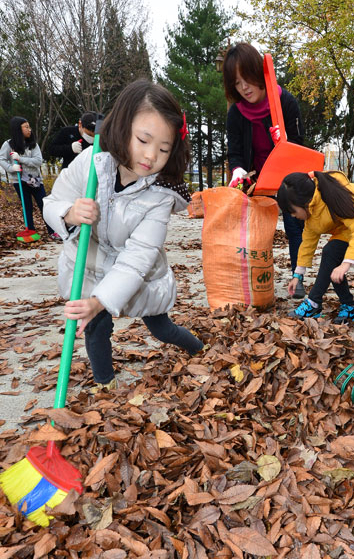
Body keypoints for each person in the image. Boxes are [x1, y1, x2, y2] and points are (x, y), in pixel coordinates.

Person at [43, 79, 203, 392]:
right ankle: (106, 385)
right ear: (122, 127)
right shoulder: (92, 161)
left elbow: (138, 257)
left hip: (139, 276)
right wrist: (68, 213)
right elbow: (53, 201)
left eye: (163, 148)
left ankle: (199, 349)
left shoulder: (161, 195)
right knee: (95, 327)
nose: (150, 155)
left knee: (161, 327)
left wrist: (103, 299)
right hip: (89, 265)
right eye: (143, 139)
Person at [222, 42, 307, 299]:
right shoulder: (236, 114)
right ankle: (257, 282)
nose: (244, 87)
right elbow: (235, 152)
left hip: (287, 176)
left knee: (294, 228)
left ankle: (298, 277)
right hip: (256, 180)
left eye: (246, 78)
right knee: (257, 232)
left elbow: (299, 142)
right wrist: (238, 171)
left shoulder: (285, 102)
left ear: (259, 74)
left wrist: (285, 142)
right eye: (237, 83)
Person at [278, 171, 354, 322]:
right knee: (331, 253)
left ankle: (313, 303)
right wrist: (297, 276)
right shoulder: (312, 211)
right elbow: (308, 243)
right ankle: (349, 306)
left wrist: (346, 263)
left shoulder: (334, 194)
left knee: (331, 252)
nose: (292, 216)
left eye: (292, 211)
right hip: (347, 228)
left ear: (303, 203)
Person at [0, 116, 59, 240]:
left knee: (44, 205)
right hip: (19, 180)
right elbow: (1, 159)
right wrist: (11, 168)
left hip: (36, 180)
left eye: (29, 126)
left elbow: (38, 161)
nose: (29, 129)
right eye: (26, 127)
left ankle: (52, 231)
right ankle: (31, 231)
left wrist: (20, 159)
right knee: (27, 206)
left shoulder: (33, 145)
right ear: (18, 129)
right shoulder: (8, 145)